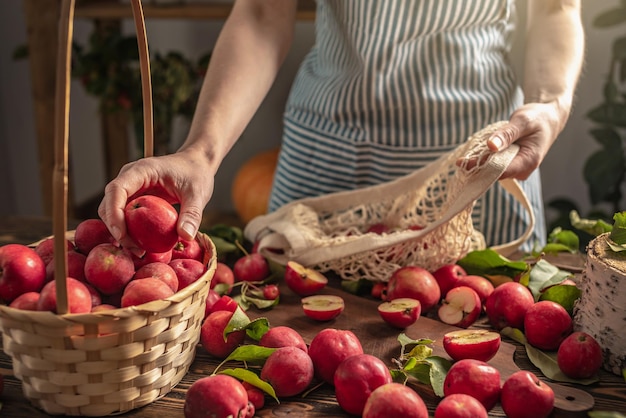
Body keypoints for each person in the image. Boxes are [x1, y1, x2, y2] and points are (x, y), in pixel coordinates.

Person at [99, 0, 585, 255]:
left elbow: (556, 9)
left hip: (480, 169)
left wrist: (550, 105)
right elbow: (263, 12)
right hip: (329, 161)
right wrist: (200, 154)